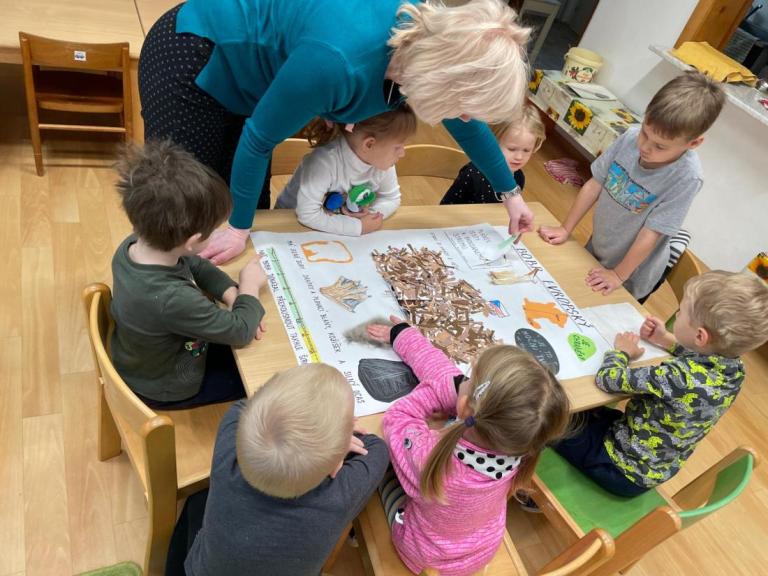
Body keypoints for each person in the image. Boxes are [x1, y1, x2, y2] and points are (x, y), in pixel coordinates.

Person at [139, 0, 535, 264]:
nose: (464, 118)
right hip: (194, 55)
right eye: (463, 107)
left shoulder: (430, 51)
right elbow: (258, 140)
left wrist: (510, 195)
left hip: (262, 79)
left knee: (247, 214)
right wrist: (240, 227)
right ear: (442, 79)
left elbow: (470, 130)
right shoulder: (338, 63)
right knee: (186, 206)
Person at [366, 316, 569, 575]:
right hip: (478, 551)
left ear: (465, 407)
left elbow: (397, 420)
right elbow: (444, 374)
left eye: (468, 378)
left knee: (380, 464)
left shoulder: (429, 455)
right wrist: (403, 336)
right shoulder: (521, 445)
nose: (461, 380)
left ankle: (355, 533)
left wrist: (433, 394)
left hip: (423, 556)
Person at [554, 271, 768, 497]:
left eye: (682, 312)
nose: (677, 313)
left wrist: (622, 353)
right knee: (587, 409)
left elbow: (607, 379)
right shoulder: (735, 370)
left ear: (700, 337)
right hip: (647, 463)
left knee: (551, 418)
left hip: (617, 466)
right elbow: (700, 359)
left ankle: (538, 489)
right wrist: (665, 339)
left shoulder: (677, 376)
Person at [173, 363, 390, 576]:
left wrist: (334, 438)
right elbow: (378, 450)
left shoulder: (227, 448)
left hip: (201, 569)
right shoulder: (336, 498)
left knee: (196, 502)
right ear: (335, 463)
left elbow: (242, 407)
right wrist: (339, 442)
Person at [538, 72, 725, 302]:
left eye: (660, 146)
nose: (645, 147)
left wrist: (618, 275)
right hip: (598, 249)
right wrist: (565, 229)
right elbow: (594, 184)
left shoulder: (687, 177)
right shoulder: (630, 138)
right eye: (645, 133)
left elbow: (651, 233)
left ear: (693, 143)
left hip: (631, 275)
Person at [110, 140, 267, 409]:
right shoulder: (172, 298)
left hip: (141, 359)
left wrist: (231, 294)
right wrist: (249, 288)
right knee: (266, 376)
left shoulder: (135, 244)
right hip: (167, 386)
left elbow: (194, 263)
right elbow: (240, 331)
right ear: (194, 240)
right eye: (214, 230)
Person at [275, 106, 417, 235]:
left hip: (330, 227)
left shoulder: (382, 162)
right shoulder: (324, 163)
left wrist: (370, 216)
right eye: (398, 147)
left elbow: (391, 198)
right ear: (369, 144)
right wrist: (358, 227)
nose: (402, 153)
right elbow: (307, 215)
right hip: (287, 225)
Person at [441, 103, 545, 205]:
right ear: (492, 142)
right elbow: (446, 207)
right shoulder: (471, 174)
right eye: (512, 149)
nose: (519, 157)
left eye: (526, 150)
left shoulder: (519, 177)